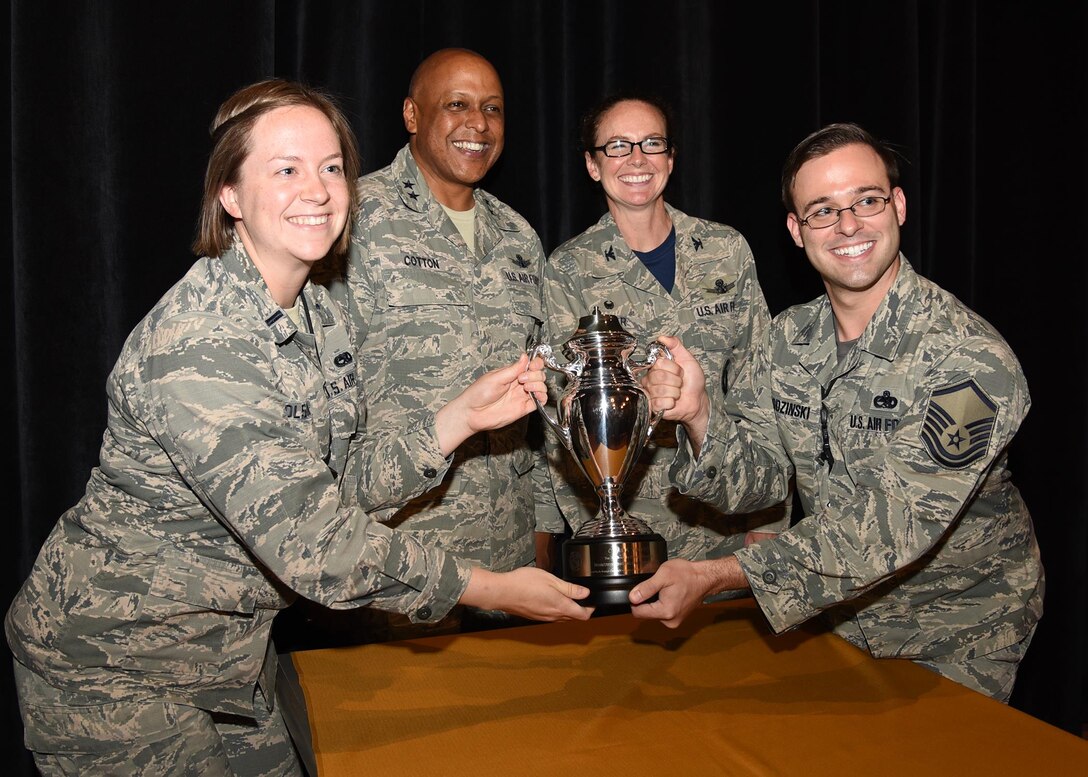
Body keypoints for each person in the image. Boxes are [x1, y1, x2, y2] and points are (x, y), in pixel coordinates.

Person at [5, 79, 590, 776]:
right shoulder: (202, 344)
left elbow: (339, 481)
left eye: (332, 167)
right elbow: (319, 546)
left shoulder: (318, 310)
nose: (317, 190)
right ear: (230, 195)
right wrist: (488, 586)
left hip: (230, 660)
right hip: (115, 670)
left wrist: (457, 418)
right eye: (286, 169)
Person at [630, 122, 1044, 702]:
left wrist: (721, 574)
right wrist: (700, 416)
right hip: (839, 620)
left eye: (866, 201)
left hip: (959, 631)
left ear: (897, 206)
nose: (848, 226)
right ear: (797, 232)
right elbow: (761, 482)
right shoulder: (787, 339)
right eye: (822, 211)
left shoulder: (969, 358)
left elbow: (895, 524)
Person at [326, 49, 552, 636]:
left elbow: (539, 403)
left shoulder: (520, 239)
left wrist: (543, 531)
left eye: (493, 109)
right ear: (411, 114)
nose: (478, 124)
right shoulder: (351, 220)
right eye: (457, 105)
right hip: (394, 568)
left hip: (508, 567)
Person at [538, 94, 787, 570]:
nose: (637, 158)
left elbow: (761, 390)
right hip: (632, 533)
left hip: (729, 521)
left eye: (652, 143)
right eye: (617, 146)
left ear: (671, 159)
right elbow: (564, 416)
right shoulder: (569, 269)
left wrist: (768, 521)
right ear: (593, 166)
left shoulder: (725, 250)